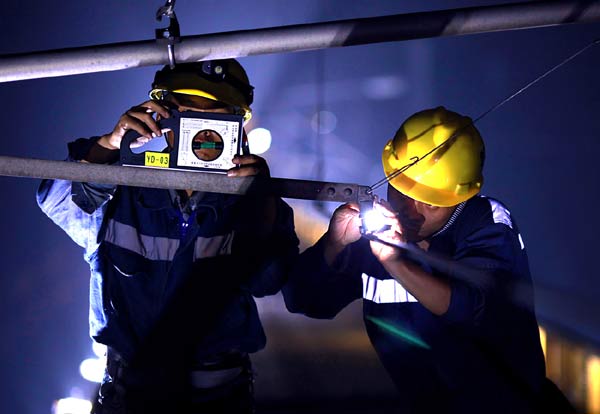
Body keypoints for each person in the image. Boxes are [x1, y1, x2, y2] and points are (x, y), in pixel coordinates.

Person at [37, 59, 299, 413]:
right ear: (161, 116)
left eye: (214, 114)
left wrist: (262, 200)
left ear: (238, 125)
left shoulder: (250, 199)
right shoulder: (125, 185)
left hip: (219, 399)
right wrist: (109, 146)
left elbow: (271, 280)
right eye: (187, 112)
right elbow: (57, 201)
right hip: (127, 396)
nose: (200, 127)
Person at [282, 107, 573, 413]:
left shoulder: (486, 224)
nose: (411, 209)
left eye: (430, 202)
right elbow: (305, 300)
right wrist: (334, 243)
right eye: (402, 191)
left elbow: (472, 306)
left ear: (459, 197)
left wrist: (396, 262)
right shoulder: (381, 233)